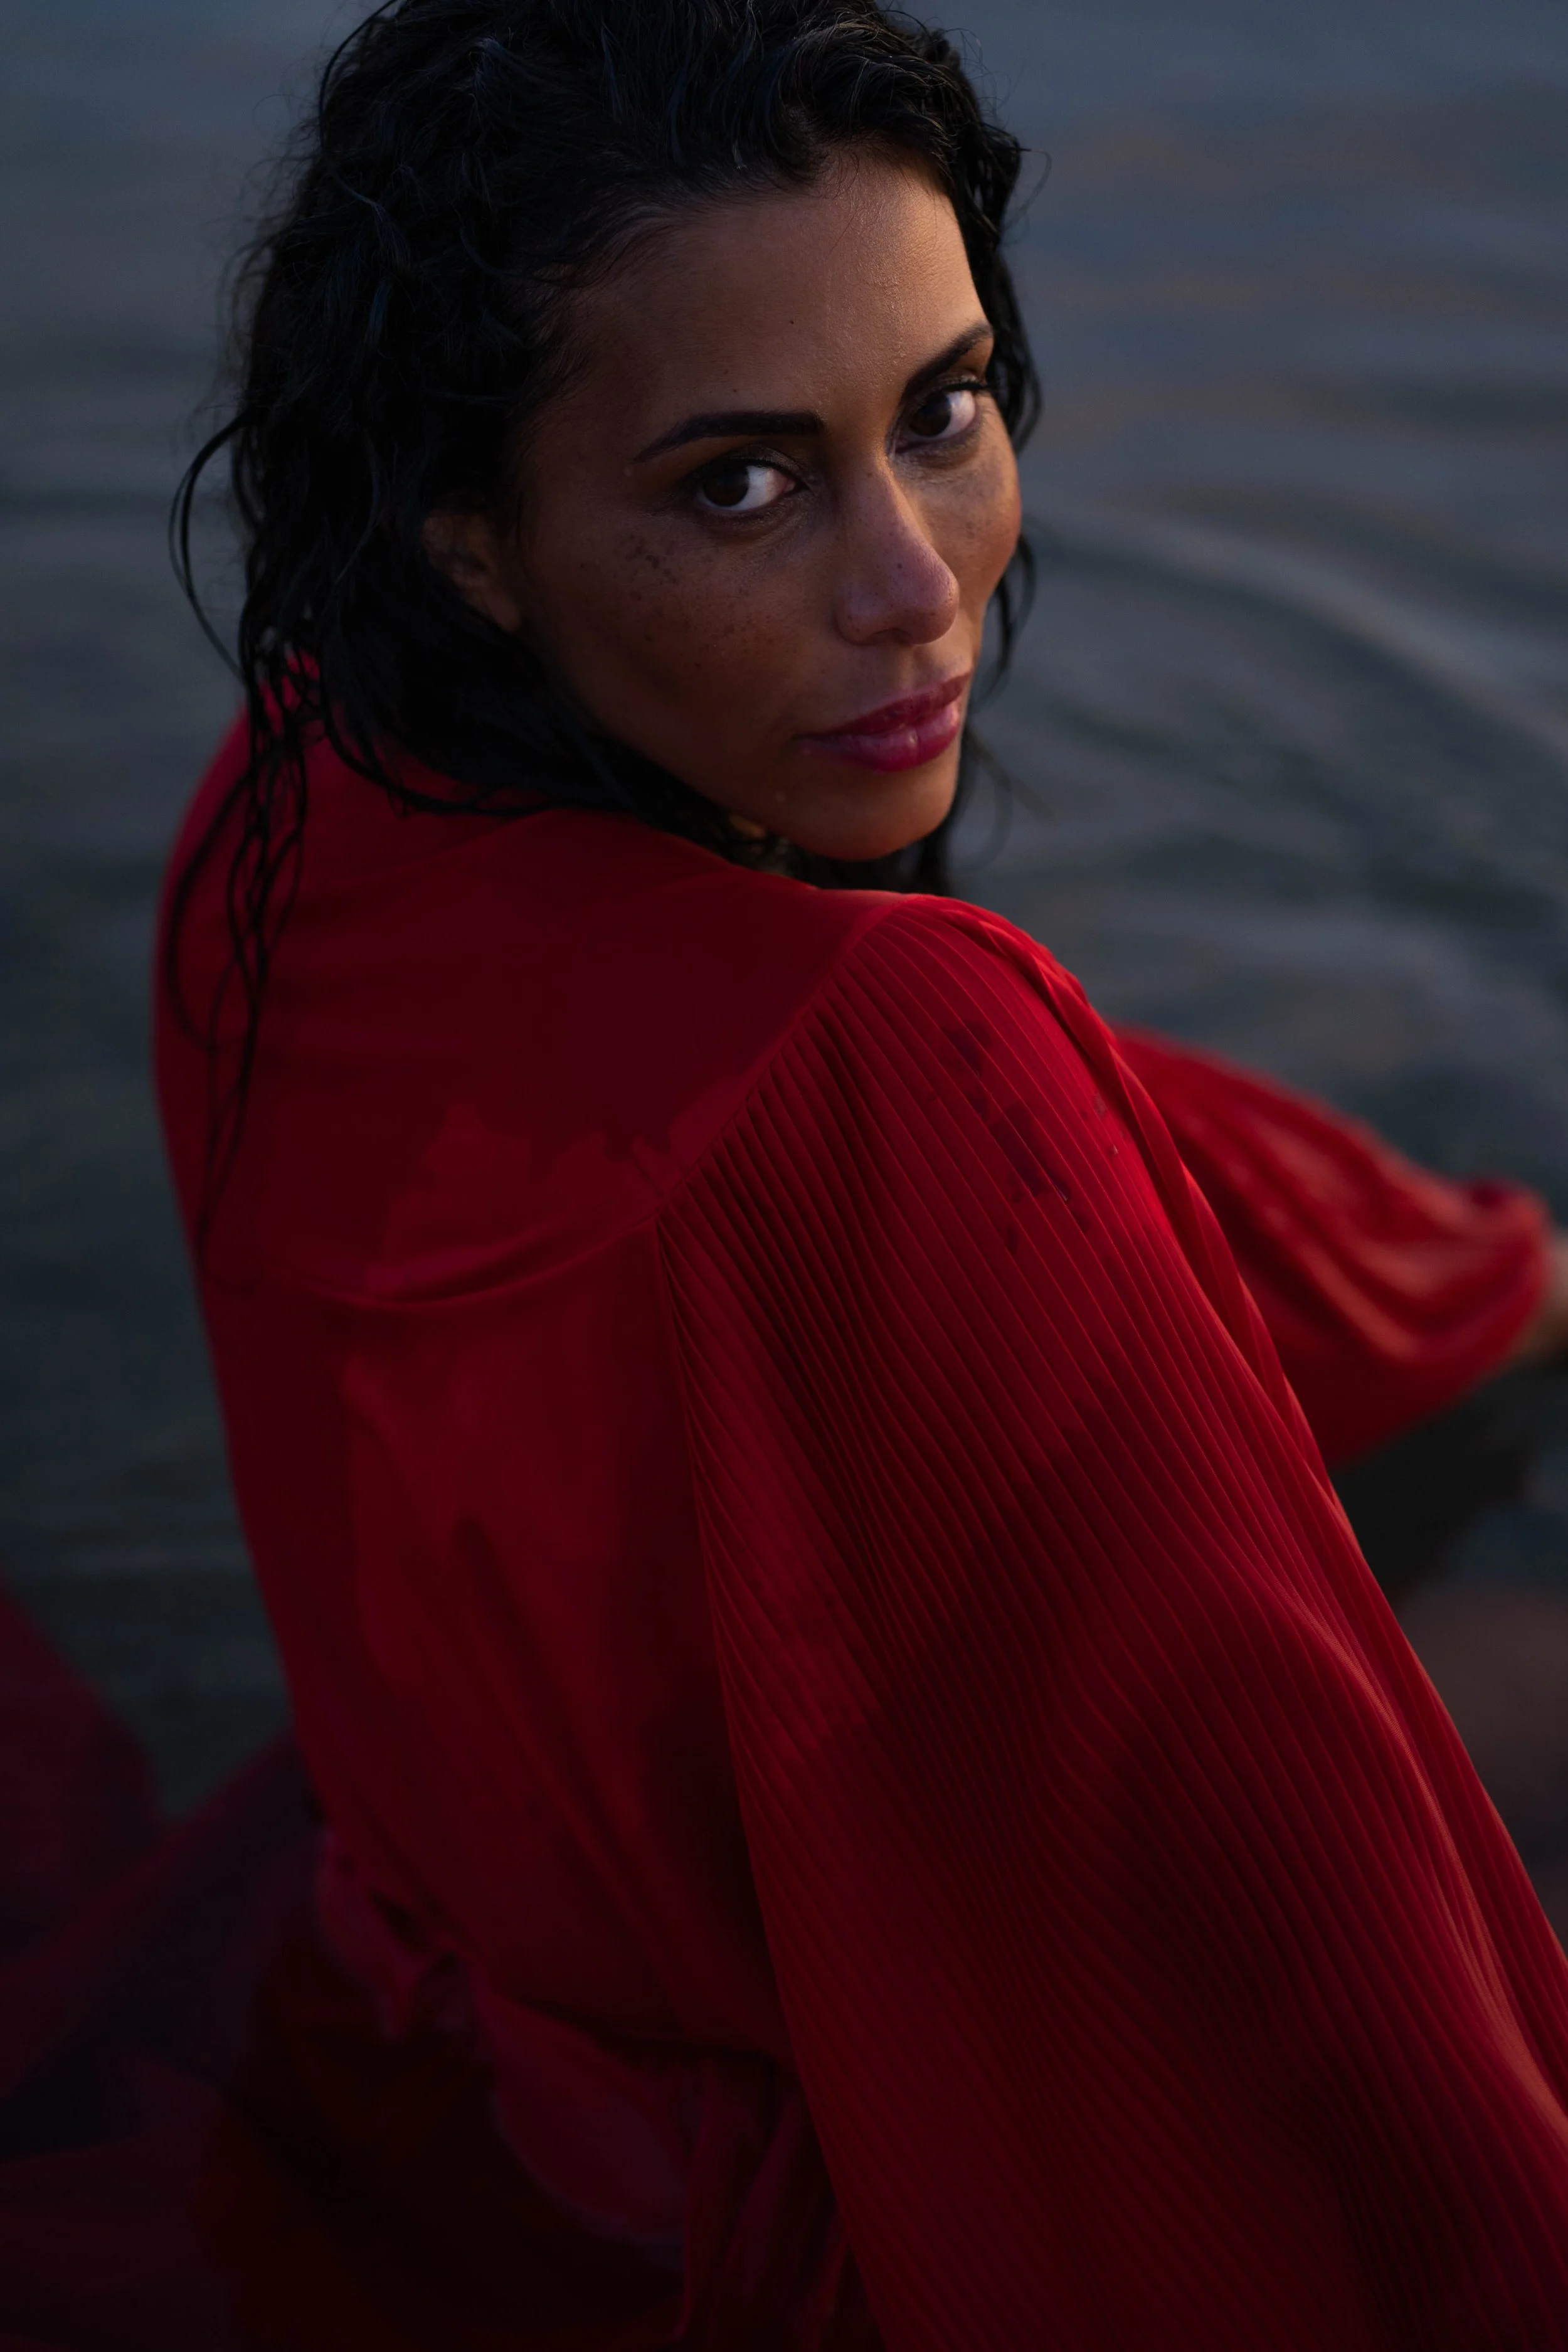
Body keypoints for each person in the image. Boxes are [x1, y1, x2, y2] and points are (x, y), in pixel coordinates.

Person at [11, 1, 1568, 2344]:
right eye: (737, 485)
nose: (915, 586)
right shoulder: (882, 1057)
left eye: (941, 408)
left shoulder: (293, 819)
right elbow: (1308, 1967)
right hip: (803, 2192)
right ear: (475, 544)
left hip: (444, 2017)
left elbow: (833, 1113)